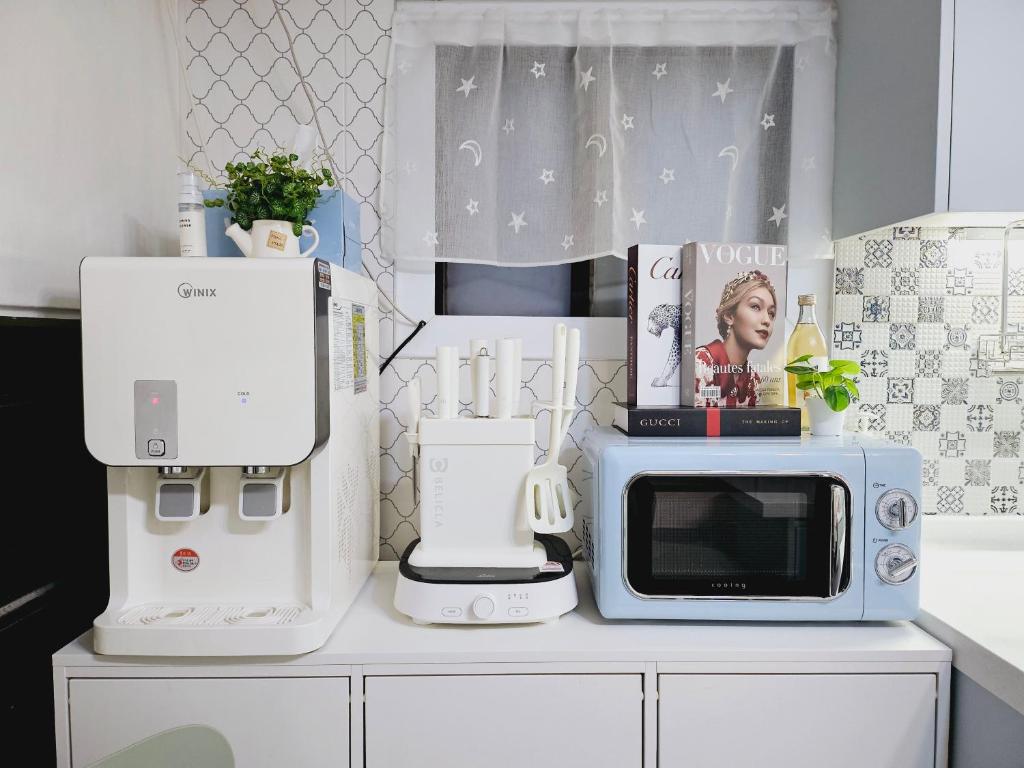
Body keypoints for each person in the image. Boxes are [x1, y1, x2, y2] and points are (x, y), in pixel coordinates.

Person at [694, 269, 777, 406]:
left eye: (771, 313)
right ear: (729, 316)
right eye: (755, 307)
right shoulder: (700, 364)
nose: (767, 320)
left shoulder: (754, 380)